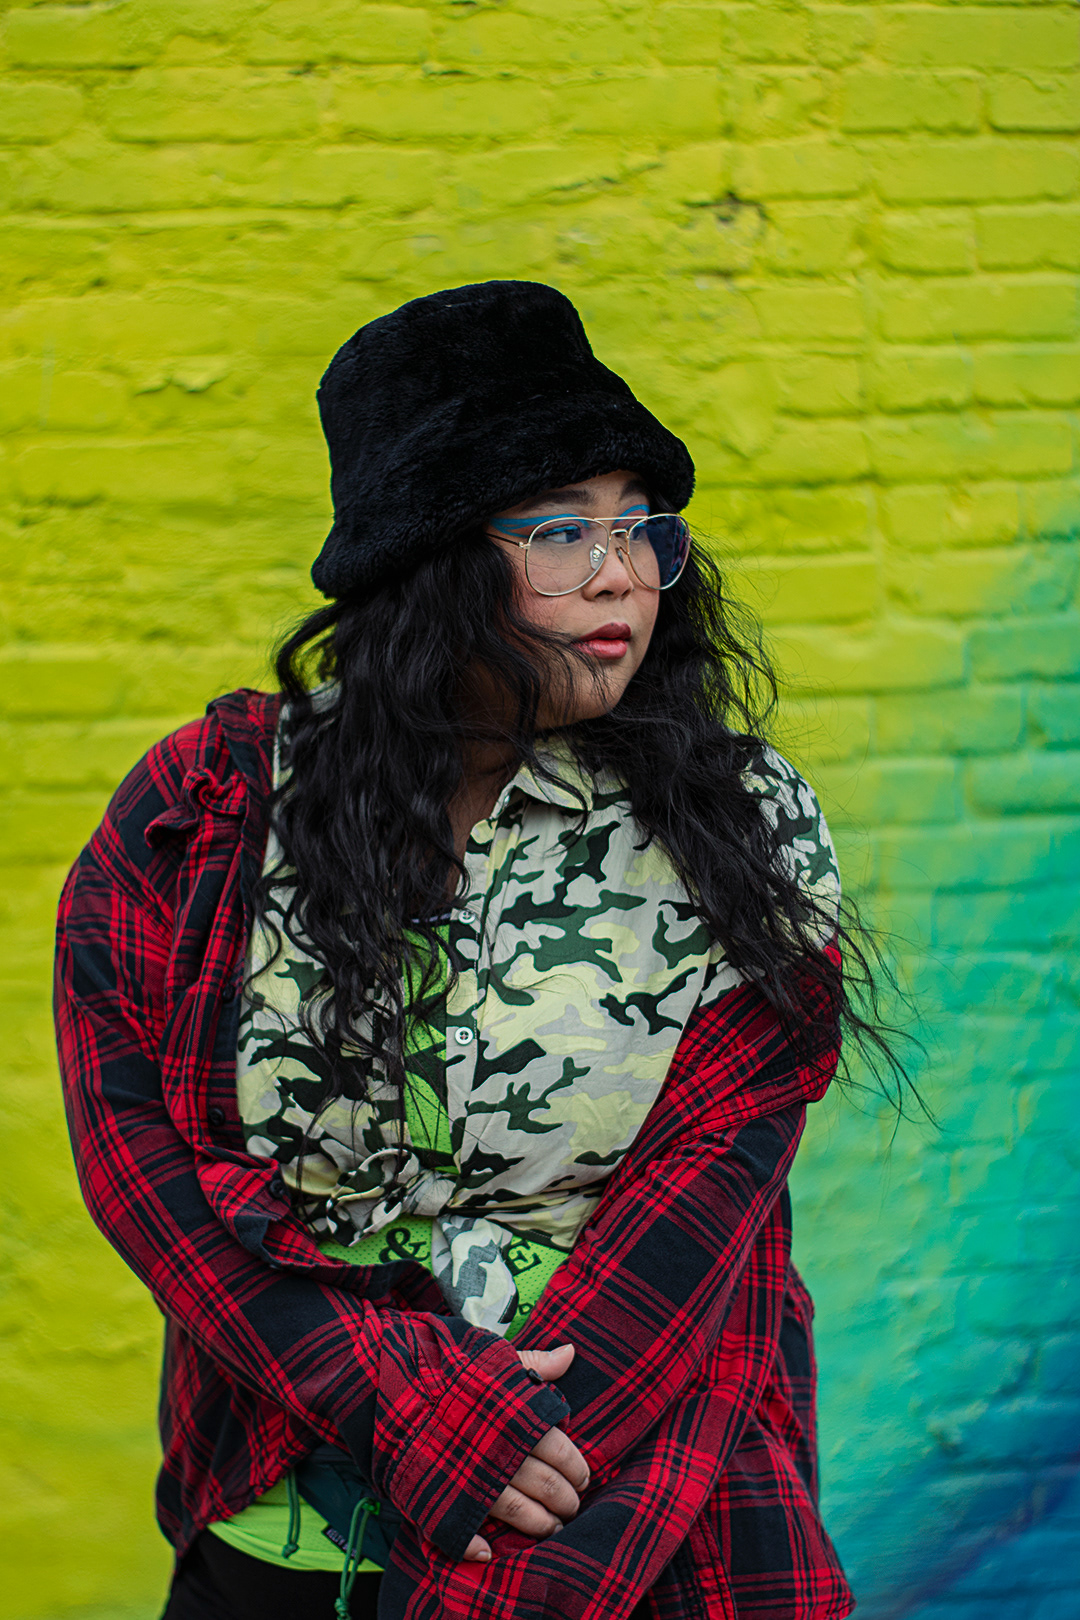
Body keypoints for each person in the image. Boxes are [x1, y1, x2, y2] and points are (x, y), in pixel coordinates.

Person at [55, 281, 871, 1620]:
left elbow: (703, 1200)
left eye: (640, 524)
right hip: (272, 1528)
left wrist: (494, 1455)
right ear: (427, 559)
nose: (620, 573)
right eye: (559, 529)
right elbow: (137, 1155)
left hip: (617, 1514)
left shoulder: (738, 828)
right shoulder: (210, 809)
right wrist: (384, 1393)